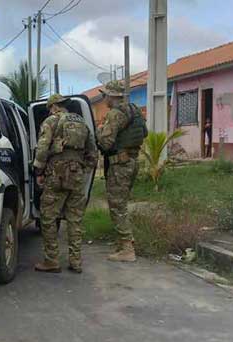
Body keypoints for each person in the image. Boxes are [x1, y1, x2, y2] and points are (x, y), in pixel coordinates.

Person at [33, 94, 98, 274]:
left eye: (49, 108)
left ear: (53, 106)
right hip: (76, 174)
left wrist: (38, 171)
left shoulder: (52, 121)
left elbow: (42, 148)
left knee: (48, 217)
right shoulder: (82, 123)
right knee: (75, 219)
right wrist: (83, 169)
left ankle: (52, 260)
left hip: (56, 174)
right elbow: (93, 152)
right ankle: (76, 261)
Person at [96, 80, 148, 262]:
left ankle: (127, 249)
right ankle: (123, 243)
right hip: (132, 162)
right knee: (122, 204)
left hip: (120, 165)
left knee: (117, 206)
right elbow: (145, 133)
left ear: (112, 96)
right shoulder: (135, 110)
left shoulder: (115, 114)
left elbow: (106, 143)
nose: (104, 99)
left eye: (105, 96)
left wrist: (98, 132)